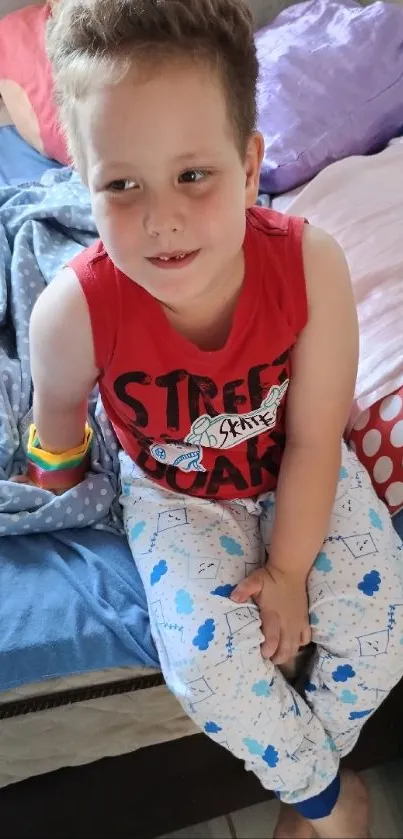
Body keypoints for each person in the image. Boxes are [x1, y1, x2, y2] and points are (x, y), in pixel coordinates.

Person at [19, 0, 403, 835]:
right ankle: (332, 800)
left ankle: (307, 767)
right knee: (210, 666)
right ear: (86, 189)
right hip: (175, 493)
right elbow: (56, 434)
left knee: (383, 625)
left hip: (296, 462)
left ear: (249, 159)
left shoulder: (309, 263)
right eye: (122, 186)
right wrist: (52, 477)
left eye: (194, 174)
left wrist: (293, 569)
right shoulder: (71, 312)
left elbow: (312, 435)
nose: (162, 218)